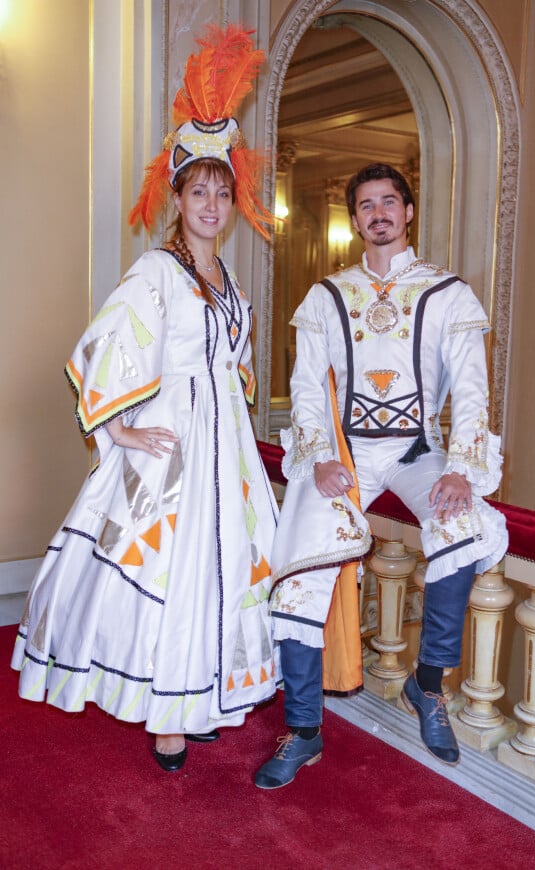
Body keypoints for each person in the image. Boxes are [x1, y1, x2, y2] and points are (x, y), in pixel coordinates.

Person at [12, 24, 280, 772]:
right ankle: (167, 714)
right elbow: (107, 343)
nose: (212, 205)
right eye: (200, 191)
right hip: (175, 440)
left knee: (225, 568)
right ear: (180, 196)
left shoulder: (231, 282)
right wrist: (120, 430)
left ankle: (201, 699)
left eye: (223, 194)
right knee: (175, 568)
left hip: (224, 439)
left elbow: (239, 364)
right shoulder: (156, 271)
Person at [254, 162, 508, 789]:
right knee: (301, 567)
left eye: (389, 202)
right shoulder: (327, 296)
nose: (378, 214)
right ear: (355, 219)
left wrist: (462, 470)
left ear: (408, 211)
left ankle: (427, 688)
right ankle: (305, 728)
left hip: (419, 451)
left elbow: (473, 390)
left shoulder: (448, 293)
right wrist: (319, 459)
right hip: (345, 456)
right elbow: (307, 388)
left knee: (463, 526)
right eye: (365, 205)